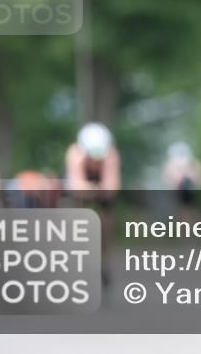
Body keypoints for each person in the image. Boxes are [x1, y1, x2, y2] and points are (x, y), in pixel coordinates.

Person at [65, 122, 120, 286]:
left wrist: (101, 190)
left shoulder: (111, 155)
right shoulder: (74, 154)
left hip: (100, 186)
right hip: (82, 185)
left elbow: (112, 187)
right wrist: (89, 189)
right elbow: (76, 185)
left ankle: (104, 257)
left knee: (106, 217)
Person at [162, 141, 201, 223]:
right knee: (186, 210)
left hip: (186, 189)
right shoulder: (183, 161)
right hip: (181, 189)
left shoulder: (189, 161)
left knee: (188, 210)